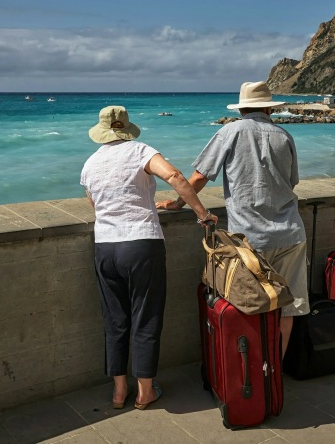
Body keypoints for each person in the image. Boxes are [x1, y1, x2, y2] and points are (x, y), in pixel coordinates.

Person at [156, 81, 309, 358]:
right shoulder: (284, 135)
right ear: (268, 108)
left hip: (250, 239)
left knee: (250, 305)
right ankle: (275, 370)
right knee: (289, 306)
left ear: (241, 108)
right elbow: (292, 183)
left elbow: (200, 175)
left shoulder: (230, 131)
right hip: (290, 233)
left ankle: (253, 373)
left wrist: (179, 202)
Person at [80, 105, 218, 411]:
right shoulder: (140, 151)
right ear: (126, 128)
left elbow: (96, 204)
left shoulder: (90, 164)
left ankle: (118, 391)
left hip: (105, 246)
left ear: (101, 132)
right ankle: (144, 391)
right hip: (141, 243)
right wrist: (202, 214)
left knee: (115, 320)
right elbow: (175, 175)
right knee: (146, 316)